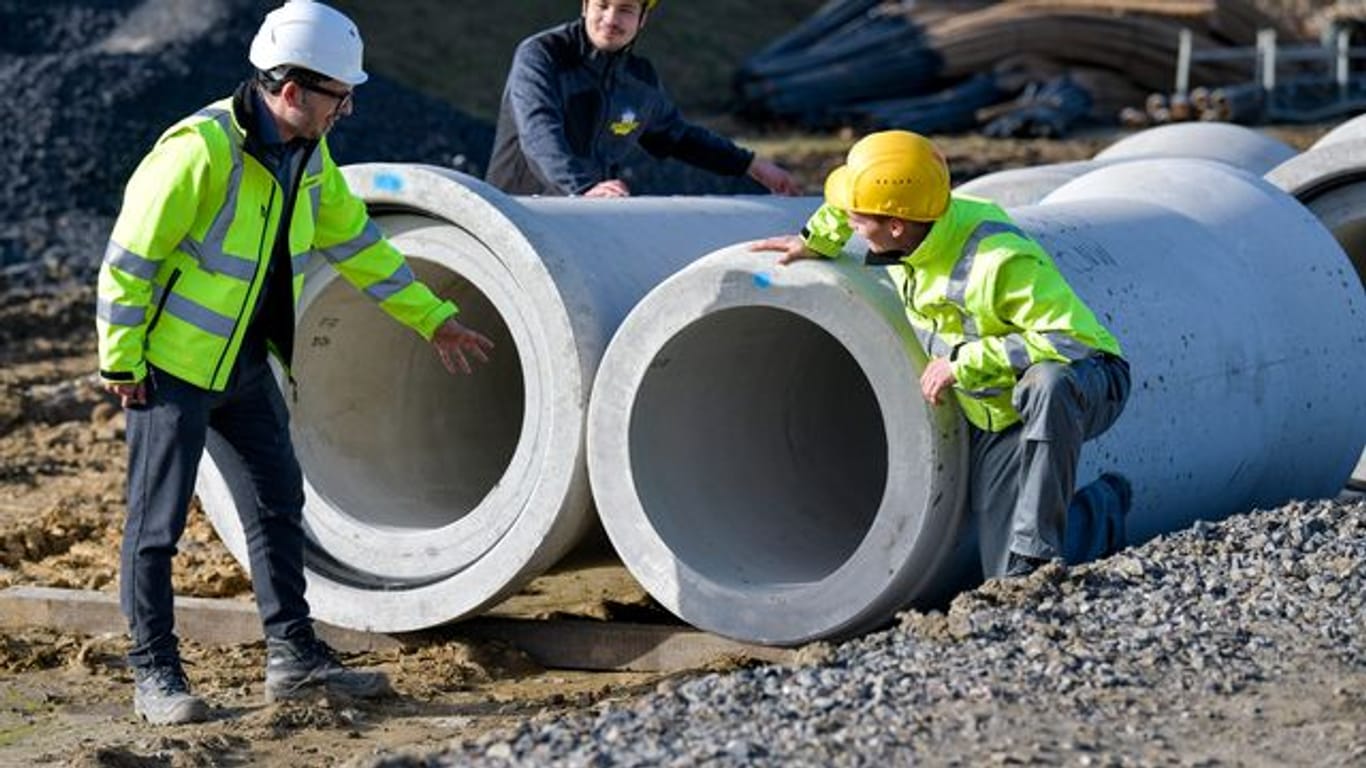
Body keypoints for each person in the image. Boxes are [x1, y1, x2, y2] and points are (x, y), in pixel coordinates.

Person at [95, 0, 495, 725]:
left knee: (280, 505)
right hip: (169, 372)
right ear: (292, 91)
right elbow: (129, 264)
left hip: (246, 367)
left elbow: (358, 243)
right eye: (340, 97)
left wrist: (433, 318)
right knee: (155, 529)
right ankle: (154, 674)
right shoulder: (198, 151)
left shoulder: (307, 152)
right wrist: (122, 364)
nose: (347, 109)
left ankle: (294, 658)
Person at [751, 130, 1132, 581]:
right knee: (1002, 573)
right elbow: (849, 205)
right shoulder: (910, 213)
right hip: (996, 409)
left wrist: (961, 364)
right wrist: (815, 241)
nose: (849, 221)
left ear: (895, 226)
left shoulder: (998, 261)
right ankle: (1102, 510)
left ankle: (1039, 550)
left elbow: (1073, 340)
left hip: (1086, 381)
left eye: (857, 218)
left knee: (1048, 384)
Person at [486, 0, 801, 197]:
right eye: (602, 5)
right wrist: (581, 188)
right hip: (517, 211)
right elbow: (538, 130)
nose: (611, 19)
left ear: (642, 19)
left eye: (625, 9)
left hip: (585, 216)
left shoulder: (640, 80)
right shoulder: (542, 55)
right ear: (584, 6)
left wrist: (752, 165)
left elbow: (680, 137)